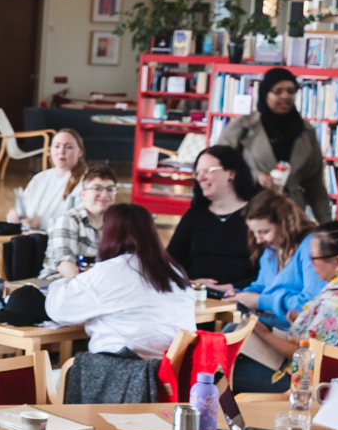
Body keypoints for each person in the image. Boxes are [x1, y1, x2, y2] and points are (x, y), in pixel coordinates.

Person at [44, 203, 195, 359]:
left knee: (55, 375)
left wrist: (65, 282)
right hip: (174, 376)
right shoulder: (175, 272)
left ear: (108, 233)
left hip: (123, 376)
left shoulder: (108, 272)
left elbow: (57, 310)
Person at [243, 220, 338, 369]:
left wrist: (264, 334)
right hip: (328, 373)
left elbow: (309, 358)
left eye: (313, 258)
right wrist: (306, 317)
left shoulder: (335, 304)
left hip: (305, 382)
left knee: (230, 367)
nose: (310, 264)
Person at [228, 190, 323, 393]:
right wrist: (241, 294)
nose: (259, 239)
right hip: (271, 337)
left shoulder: (311, 247)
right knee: (219, 344)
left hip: (289, 347)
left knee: (219, 367)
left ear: (285, 224)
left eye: (264, 231)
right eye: (254, 232)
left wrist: (261, 301)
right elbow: (264, 286)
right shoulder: (273, 250)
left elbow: (310, 303)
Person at [221, 66, 326, 217]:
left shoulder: (305, 131)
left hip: (291, 213)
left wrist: (326, 224)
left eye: (291, 91)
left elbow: (315, 184)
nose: (285, 96)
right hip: (251, 208)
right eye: (277, 91)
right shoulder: (243, 126)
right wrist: (256, 176)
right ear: (265, 94)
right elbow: (220, 164)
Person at [168, 144, 261, 294]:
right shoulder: (194, 216)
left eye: (208, 171)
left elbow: (270, 271)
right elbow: (171, 262)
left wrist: (233, 287)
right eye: (197, 172)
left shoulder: (258, 216)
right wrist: (190, 282)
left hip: (242, 297)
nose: (200, 178)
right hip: (195, 296)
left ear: (231, 173)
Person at [36, 164, 119, 283]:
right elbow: (65, 266)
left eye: (110, 189)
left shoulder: (118, 224)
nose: (104, 194)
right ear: (83, 194)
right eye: (97, 188)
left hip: (99, 287)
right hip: (57, 285)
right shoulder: (69, 220)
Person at [9, 128, 87, 231]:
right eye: (57, 146)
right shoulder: (40, 178)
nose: (61, 151)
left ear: (80, 152)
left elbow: (82, 220)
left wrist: (43, 223)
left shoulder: (86, 182)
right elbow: (26, 208)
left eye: (68, 147)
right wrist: (16, 215)